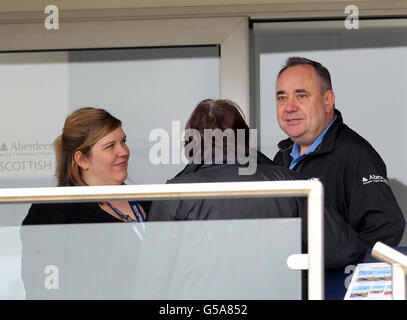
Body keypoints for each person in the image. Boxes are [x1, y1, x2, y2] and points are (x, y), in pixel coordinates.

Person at [147, 98, 368, 270]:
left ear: (191, 143)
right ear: (244, 139)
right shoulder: (290, 183)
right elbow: (343, 250)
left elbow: (154, 276)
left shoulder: (173, 194)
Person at [273, 57, 405, 252]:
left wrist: (343, 274)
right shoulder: (282, 158)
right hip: (289, 280)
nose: (289, 107)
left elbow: (386, 226)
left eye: (301, 96)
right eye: (282, 98)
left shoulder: (355, 153)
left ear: (327, 101)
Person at [22, 107, 149, 225]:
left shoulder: (148, 202)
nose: (124, 152)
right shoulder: (54, 210)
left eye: (123, 142)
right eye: (110, 146)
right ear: (82, 159)